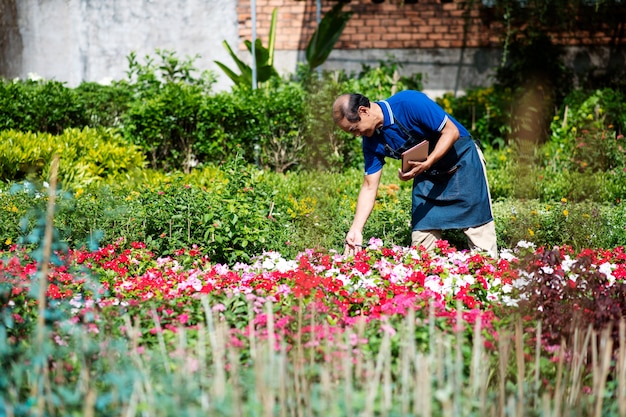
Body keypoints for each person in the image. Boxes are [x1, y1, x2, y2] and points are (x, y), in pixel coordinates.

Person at [332, 90, 497, 257]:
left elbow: (451, 132)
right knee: (421, 251)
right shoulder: (371, 141)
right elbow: (369, 186)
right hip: (427, 174)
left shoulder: (410, 103)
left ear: (363, 111)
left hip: (462, 162)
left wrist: (428, 162)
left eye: (354, 129)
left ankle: (492, 277)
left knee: (479, 234)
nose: (357, 135)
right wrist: (356, 229)